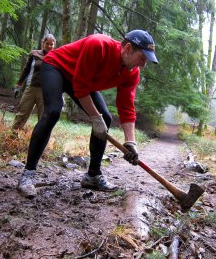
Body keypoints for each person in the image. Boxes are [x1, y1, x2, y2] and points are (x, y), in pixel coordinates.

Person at [17, 30, 158, 198]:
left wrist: (130, 142)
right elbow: (80, 86)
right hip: (57, 67)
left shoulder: (132, 72)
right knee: (53, 111)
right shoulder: (98, 45)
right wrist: (94, 118)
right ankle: (28, 174)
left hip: (80, 79)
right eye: (142, 58)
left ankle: (93, 175)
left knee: (105, 117)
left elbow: (126, 107)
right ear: (128, 48)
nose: (143, 65)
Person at [12, 34, 56, 131]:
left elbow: (58, 76)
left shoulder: (56, 57)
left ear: (54, 45)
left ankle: (39, 144)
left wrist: (60, 94)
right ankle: (12, 139)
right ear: (42, 43)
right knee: (22, 114)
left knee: (43, 118)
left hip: (45, 92)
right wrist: (18, 85)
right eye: (47, 43)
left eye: (51, 44)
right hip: (31, 88)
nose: (49, 46)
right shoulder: (34, 54)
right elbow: (26, 70)